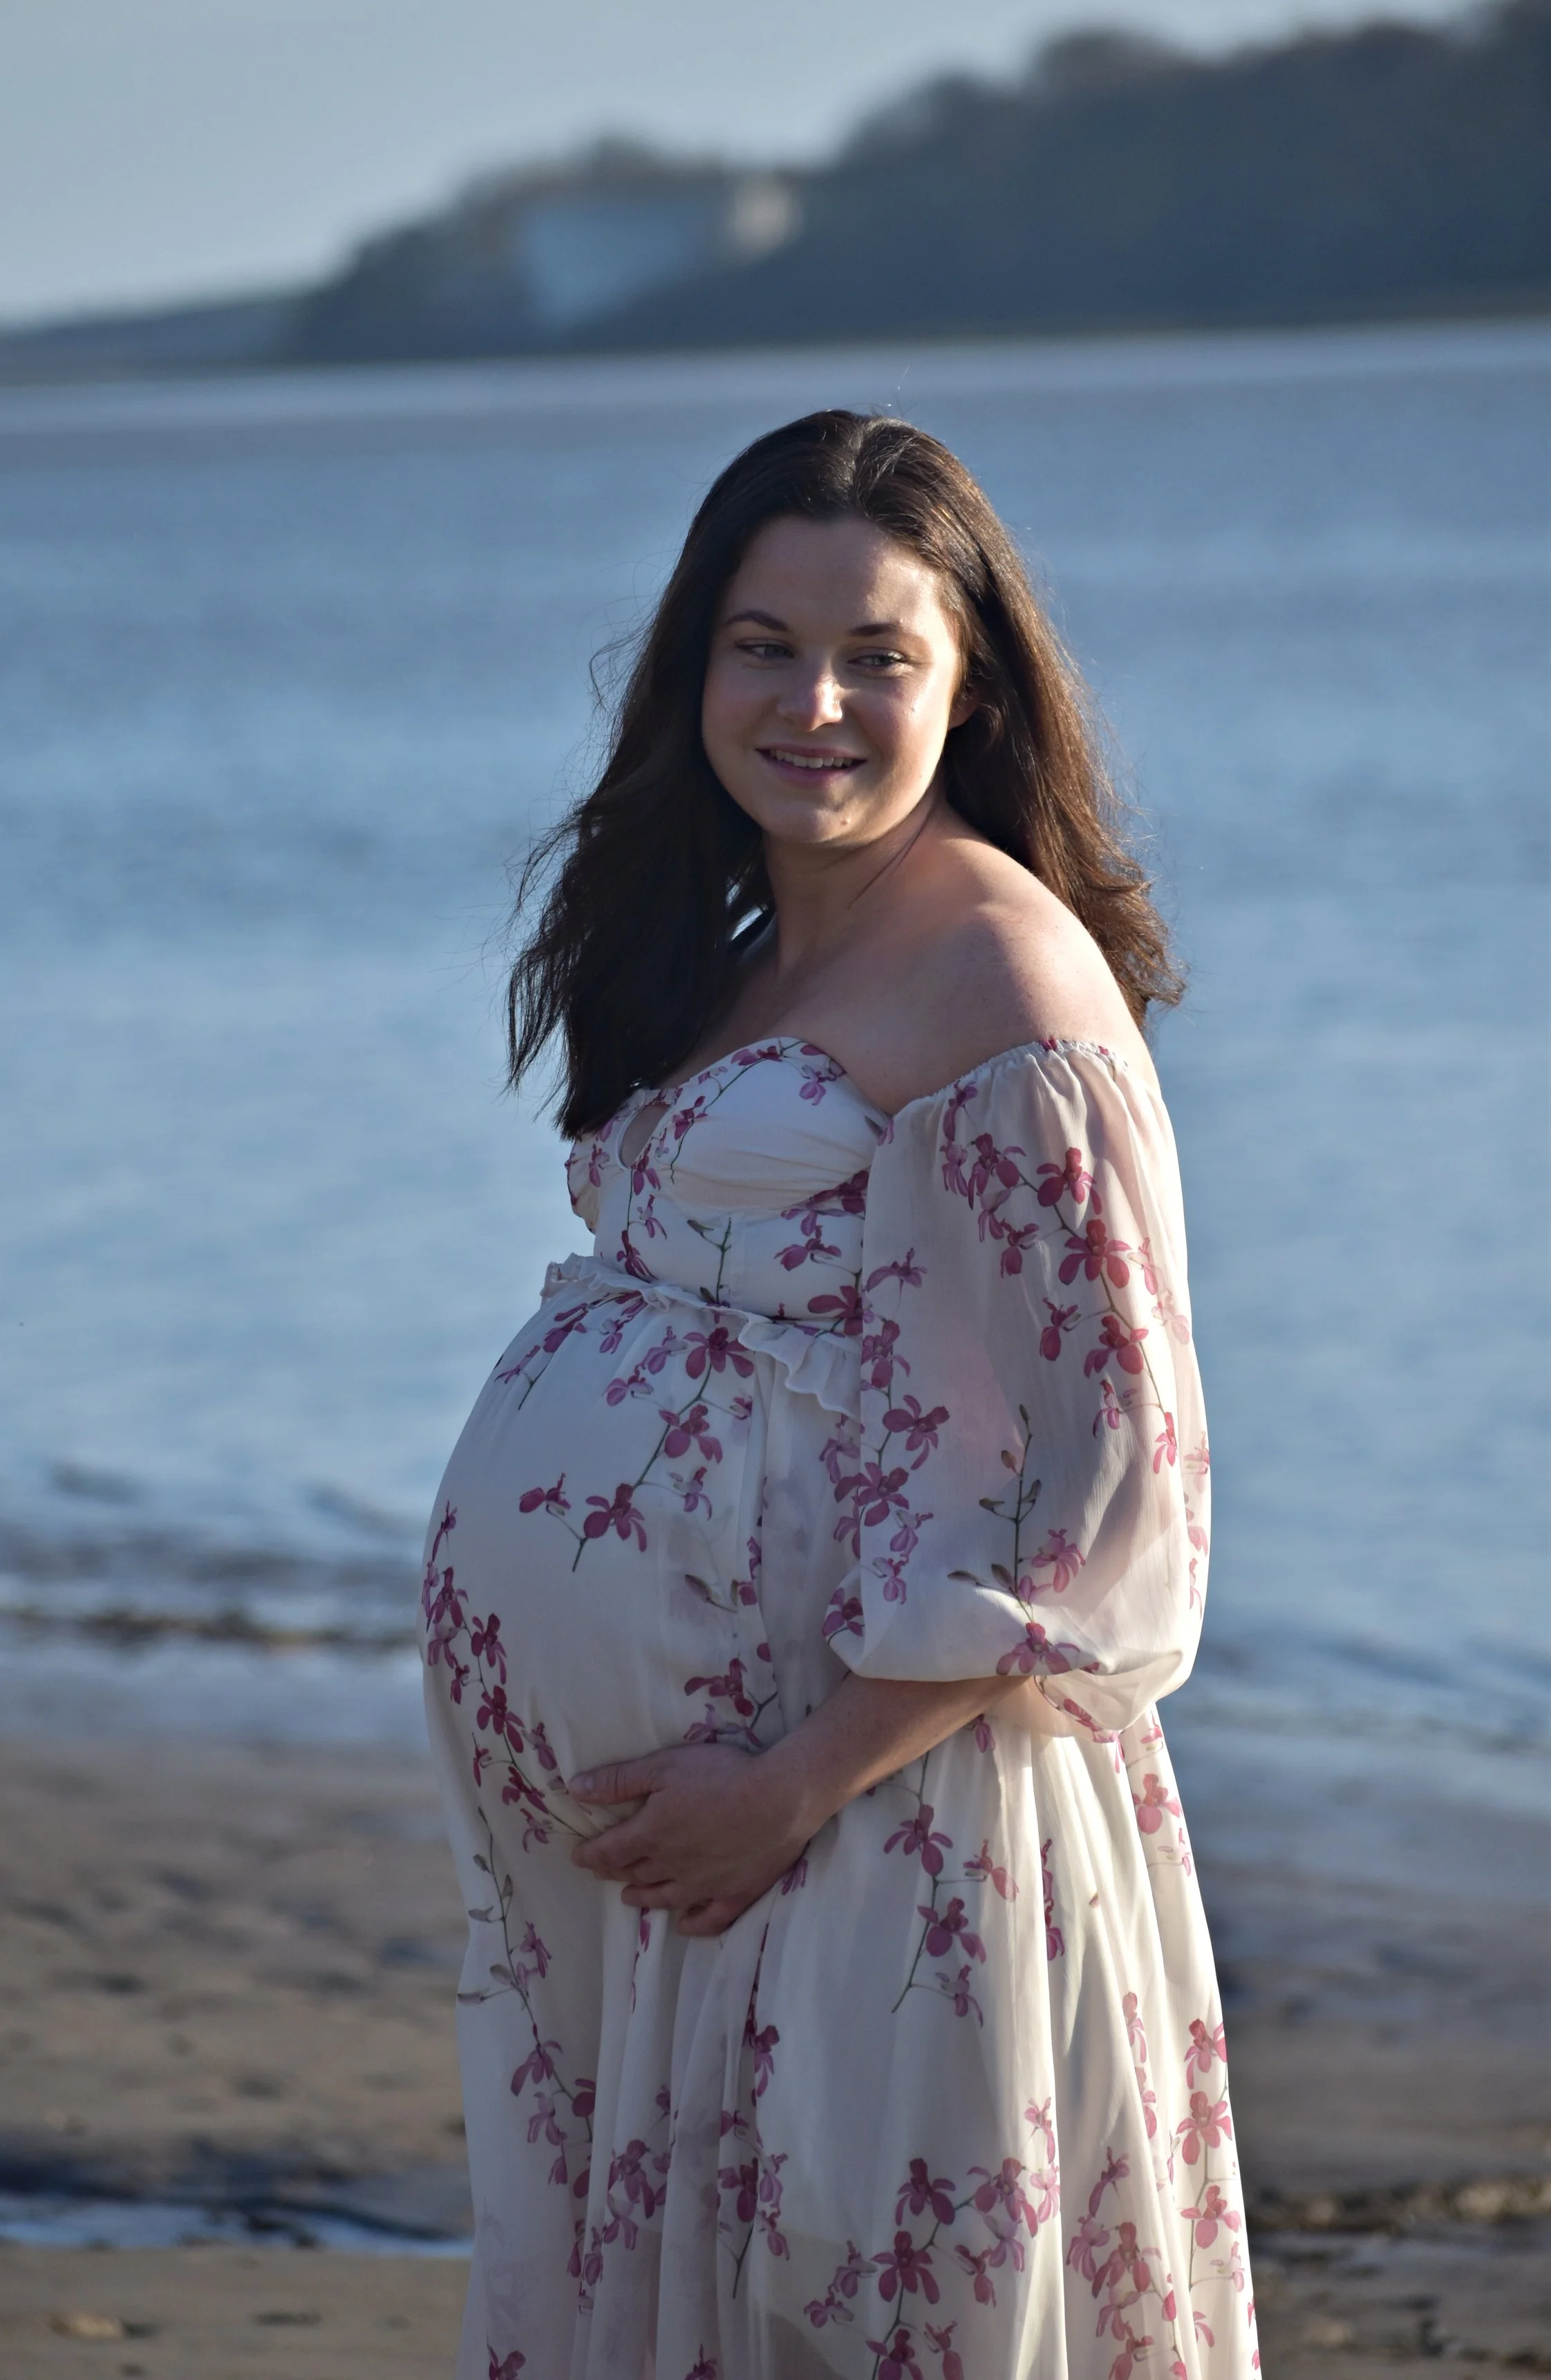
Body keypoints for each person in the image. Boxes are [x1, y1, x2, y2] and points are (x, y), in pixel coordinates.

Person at [421, 412, 1255, 2379]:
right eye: (758, 641)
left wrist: (783, 1785)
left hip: (863, 1827)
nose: (812, 701)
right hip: (684, 1871)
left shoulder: (1000, 987)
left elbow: (1109, 1488)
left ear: (966, 690)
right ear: (687, 666)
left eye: (876, 653)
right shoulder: (736, 943)